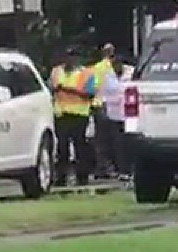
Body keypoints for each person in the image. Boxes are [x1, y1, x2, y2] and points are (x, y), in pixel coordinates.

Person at [48, 45, 99, 188]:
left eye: (73, 57)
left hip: (79, 114)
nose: (69, 60)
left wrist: (68, 90)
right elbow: (51, 88)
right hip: (61, 113)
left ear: (77, 59)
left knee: (80, 146)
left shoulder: (87, 73)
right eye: (67, 56)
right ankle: (61, 177)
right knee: (62, 147)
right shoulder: (56, 71)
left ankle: (82, 177)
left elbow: (89, 94)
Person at [95, 49, 131, 182]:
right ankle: (119, 170)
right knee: (117, 143)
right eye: (114, 64)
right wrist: (103, 109)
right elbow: (103, 94)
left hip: (129, 114)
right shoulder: (107, 75)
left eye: (119, 64)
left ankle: (128, 170)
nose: (117, 67)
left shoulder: (131, 73)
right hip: (113, 114)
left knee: (128, 141)